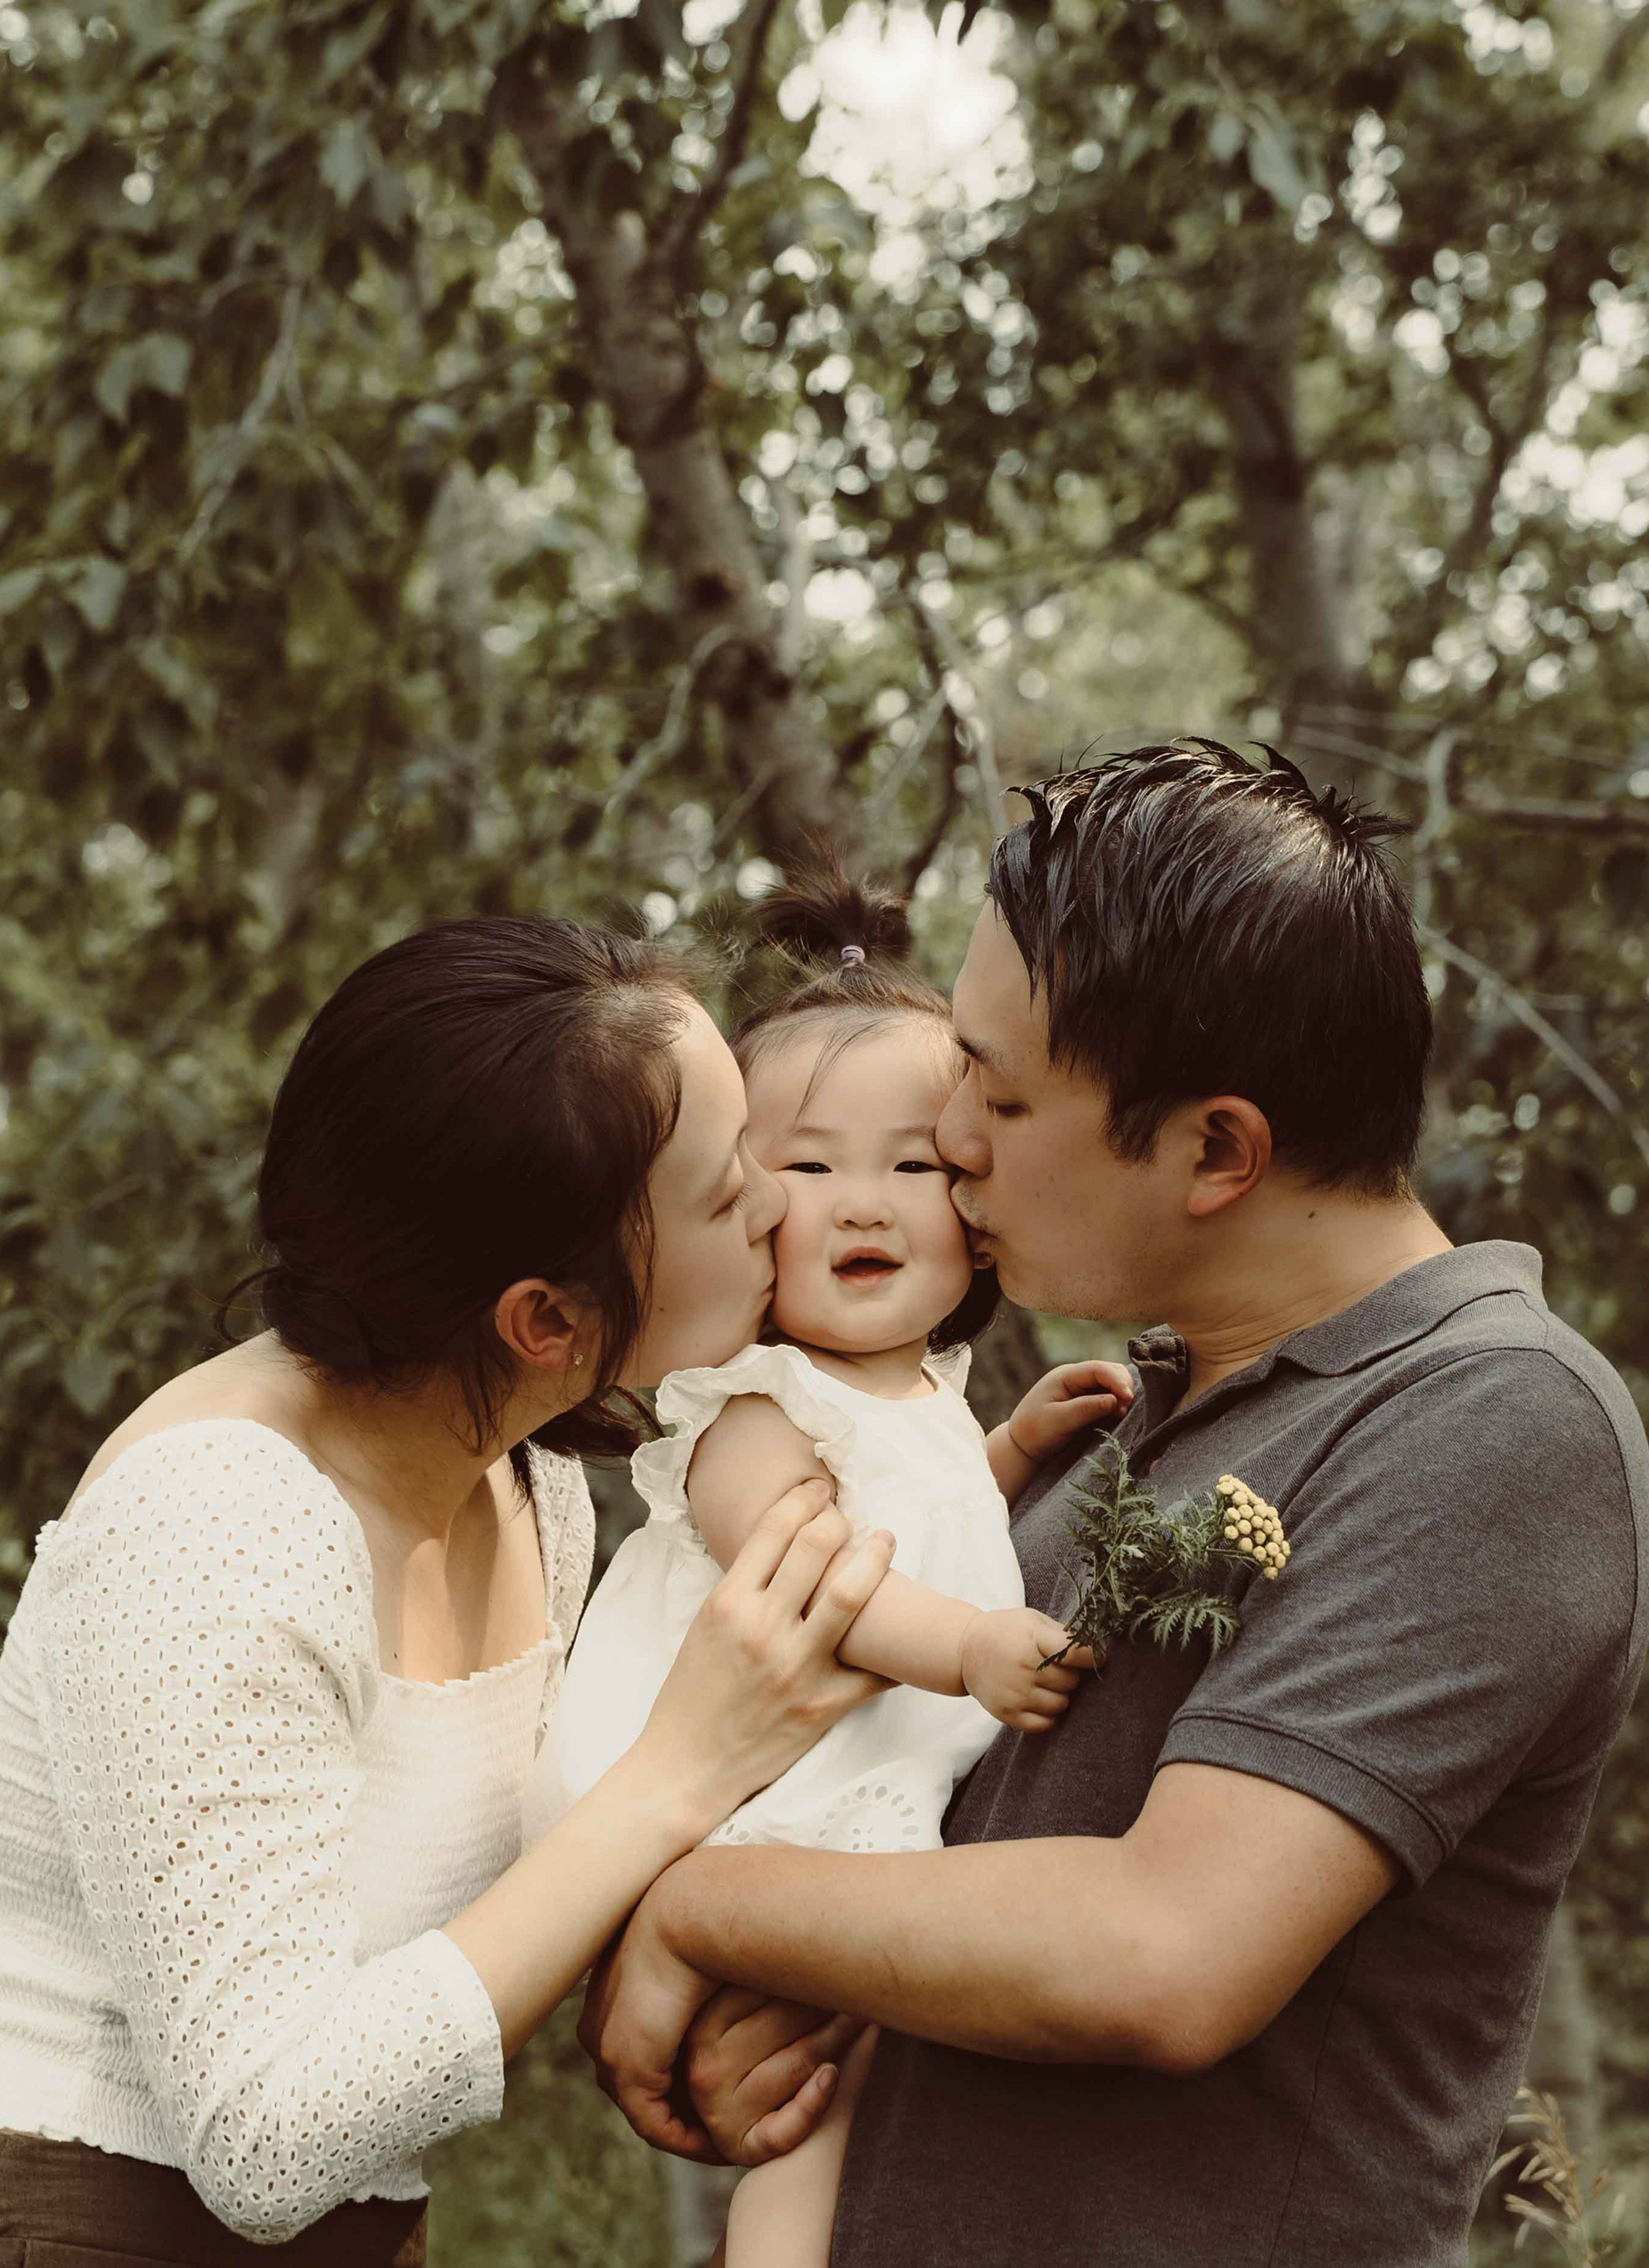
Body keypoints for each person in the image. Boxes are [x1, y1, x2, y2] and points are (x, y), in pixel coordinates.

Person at [577, 741, 1649, 2268]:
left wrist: (700, 1910)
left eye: (1002, 1096)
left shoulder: (1489, 1423)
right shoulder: (1114, 1424)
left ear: (1216, 1148)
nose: (954, 1141)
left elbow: (1164, 1949)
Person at [0, 916, 899, 2268]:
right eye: (728, 1194)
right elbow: (264, 2140)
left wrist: (666, 1994)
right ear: (546, 1321)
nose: (781, 1207)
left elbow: (501, 1929)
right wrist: (679, 1770)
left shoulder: (533, 1492)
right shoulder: (216, 1517)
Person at [521, 870, 1136, 2268]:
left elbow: (915, 1523)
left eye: (913, 1167)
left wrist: (1009, 1451)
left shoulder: (922, 1396)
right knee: (821, 2113)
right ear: (741, 1207)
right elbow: (830, 1583)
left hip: (848, 1798)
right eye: (807, 1170)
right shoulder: (750, 1407)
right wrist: (969, 1649)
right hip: (758, 1811)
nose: (865, 1205)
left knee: (887, 2105)